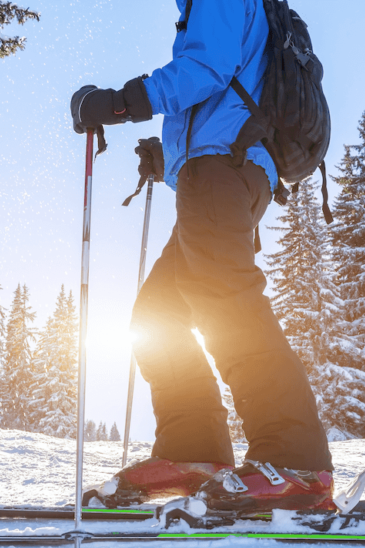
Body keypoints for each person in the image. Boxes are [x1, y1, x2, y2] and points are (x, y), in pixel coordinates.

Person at [70, 0, 335, 513]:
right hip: (219, 170)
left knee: (226, 303)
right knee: (158, 315)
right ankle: (195, 452)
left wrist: (120, 103)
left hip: (222, 172)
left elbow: (203, 71)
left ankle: (296, 459)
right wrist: (167, 158)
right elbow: (229, 95)